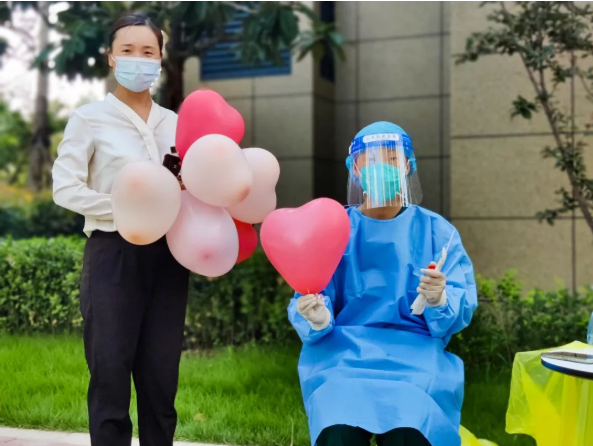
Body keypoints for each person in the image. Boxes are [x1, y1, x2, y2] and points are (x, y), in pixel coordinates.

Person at [288, 122, 478, 446]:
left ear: (408, 166)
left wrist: (440, 300)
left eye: (392, 158)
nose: (383, 167)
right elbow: (309, 294)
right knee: (339, 430)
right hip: (342, 359)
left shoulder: (437, 232)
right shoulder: (334, 229)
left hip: (416, 361)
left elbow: (458, 304)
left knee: (410, 432)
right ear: (355, 168)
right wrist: (316, 317)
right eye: (372, 159)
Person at [52, 13, 188, 446]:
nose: (138, 59)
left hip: (168, 258)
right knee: (110, 376)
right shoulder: (89, 119)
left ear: (160, 59)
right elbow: (64, 188)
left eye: (148, 51)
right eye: (127, 50)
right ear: (111, 57)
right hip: (112, 255)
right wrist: (125, 210)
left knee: (161, 381)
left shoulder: (176, 123)